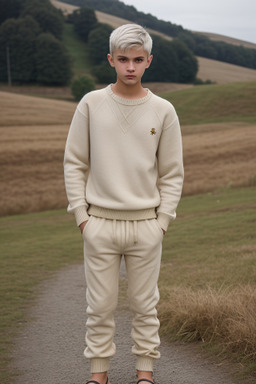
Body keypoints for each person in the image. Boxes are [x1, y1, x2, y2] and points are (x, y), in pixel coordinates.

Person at [64, 23, 184, 384]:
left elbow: (172, 172)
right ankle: (98, 375)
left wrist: (161, 222)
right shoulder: (91, 103)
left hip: (146, 226)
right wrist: (83, 218)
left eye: (137, 59)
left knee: (145, 307)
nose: (129, 67)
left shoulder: (164, 111)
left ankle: (144, 374)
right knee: (99, 308)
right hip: (99, 223)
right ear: (110, 60)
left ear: (149, 61)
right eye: (122, 59)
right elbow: (74, 162)